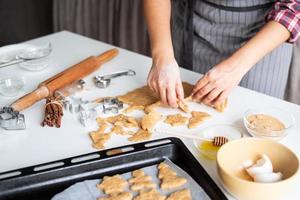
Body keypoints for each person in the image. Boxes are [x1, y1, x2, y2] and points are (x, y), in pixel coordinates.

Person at [143, 0, 300, 108]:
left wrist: (237, 66)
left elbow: (295, 8)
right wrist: (162, 56)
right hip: (189, 26)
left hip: (259, 41)